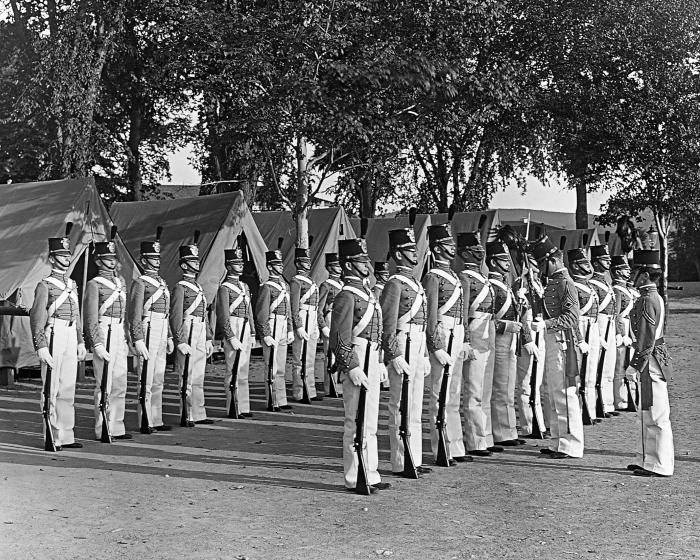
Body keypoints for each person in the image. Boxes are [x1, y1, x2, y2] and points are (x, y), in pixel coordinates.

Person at [330, 237, 390, 492]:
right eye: (360, 261)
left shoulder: (367, 293)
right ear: (348, 265)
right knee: (355, 419)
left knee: (370, 420)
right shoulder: (346, 295)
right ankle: (354, 476)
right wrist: (351, 366)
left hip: (371, 355)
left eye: (366, 260)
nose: (366, 265)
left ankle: (370, 472)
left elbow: (377, 331)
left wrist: (379, 360)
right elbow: (340, 336)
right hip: (357, 355)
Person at [30, 224, 87, 450]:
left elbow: (78, 315)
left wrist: (81, 341)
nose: (67, 259)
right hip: (53, 332)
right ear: (53, 259)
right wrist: (40, 346)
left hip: (71, 333)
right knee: (51, 387)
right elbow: (37, 317)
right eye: (62, 255)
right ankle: (51, 435)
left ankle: (66, 434)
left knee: (67, 386)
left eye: (68, 255)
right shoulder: (44, 285)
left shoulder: (71, 284)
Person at [381, 227, 431, 476]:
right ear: (398, 254)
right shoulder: (394, 284)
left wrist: (423, 354)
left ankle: (416, 457)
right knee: (401, 403)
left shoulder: (415, 282)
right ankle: (401, 460)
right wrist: (393, 354)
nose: (416, 253)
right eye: (410, 250)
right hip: (403, 341)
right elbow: (387, 324)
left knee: (415, 404)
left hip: (418, 341)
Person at [531, 236, 584, 459]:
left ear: (552, 261)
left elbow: (572, 317)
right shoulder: (553, 282)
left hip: (563, 342)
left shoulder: (564, 283)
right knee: (553, 394)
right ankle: (557, 441)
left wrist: (546, 323)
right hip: (553, 340)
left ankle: (571, 444)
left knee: (564, 394)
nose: (542, 270)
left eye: (543, 265)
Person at [423, 224, 471, 464]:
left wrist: (465, 340)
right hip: (443, 333)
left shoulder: (455, 276)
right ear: (437, 247)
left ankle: (456, 444)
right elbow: (430, 317)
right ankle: (440, 446)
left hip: (457, 333)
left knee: (453, 393)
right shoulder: (433, 277)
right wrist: (435, 346)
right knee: (439, 393)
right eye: (448, 244)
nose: (453, 248)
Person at [625, 249, 674, 477]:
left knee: (655, 414)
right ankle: (647, 459)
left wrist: (635, 365)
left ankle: (659, 464)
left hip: (650, 361)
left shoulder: (646, 300)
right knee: (648, 413)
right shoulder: (653, 296)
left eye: (636, 271)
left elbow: (646, 339)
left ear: (644, 275)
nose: (632, 275)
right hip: (655, 358)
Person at [84, 234, 131, 441]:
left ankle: (117, 425)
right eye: (108, 258)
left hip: (119, 331)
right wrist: (97, 343)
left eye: (114, 257)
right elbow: (91, 318)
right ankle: (102, 427)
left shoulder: (120, 282)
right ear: (98, 260)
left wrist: (128, 339)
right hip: (104, 330)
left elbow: (125, 314)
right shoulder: (95, 284)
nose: (112, 261)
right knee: (105, 383)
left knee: (121, 382)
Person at [129, 229, 174, 433]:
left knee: (159, 376)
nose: (156, 261)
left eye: (157, 258)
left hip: (162, 327)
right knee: (145, 375)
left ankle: (157, 418)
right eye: (152, 258)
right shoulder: (140, 283)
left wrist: (171, 335)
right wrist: (137, 338)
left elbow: (167, 312)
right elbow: (135, 313)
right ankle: (145, 419)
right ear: (143, 260)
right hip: (148, 327)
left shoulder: (162, 282)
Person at [486, 241, 529, 447]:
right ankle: (500, 431)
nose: (507, 264)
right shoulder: (492, 286)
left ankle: (509, 430)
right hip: (499, 338)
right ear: (493, 262)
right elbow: (487, 319)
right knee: (500, 386)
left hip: (511, 340)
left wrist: (521, 305)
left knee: (509, 386)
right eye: (503, 260)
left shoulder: (506, 286)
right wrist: (506, 326)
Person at [457, 232, 497, 457]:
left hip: (487, 332)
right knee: (473, 390)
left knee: (485, 390)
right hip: (474, 332)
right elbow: (462, 311)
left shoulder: (483, 278)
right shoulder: (465, 278)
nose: (480, 251)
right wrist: (465, 340)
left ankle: (485, 436)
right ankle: (474, 440)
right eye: (475, 248)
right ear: (464, 253)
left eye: (480, 247)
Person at [170, 235, 214, 426]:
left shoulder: (198, 287)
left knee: (198, 374)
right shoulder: (181, 288)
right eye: (192, 261)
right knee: (186, 373)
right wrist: (180, 340)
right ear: (184, 265)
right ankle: (187, 413)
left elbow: (205, 313)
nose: (196, 264)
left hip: (200, 328)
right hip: (188, 328)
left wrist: (208, 338)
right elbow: (176, 316)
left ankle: (199, 412)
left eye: (197, 260)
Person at [216, 245, 256, 418]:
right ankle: (233, 406)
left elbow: (250, 311)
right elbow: (223, 315)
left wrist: (253, 332)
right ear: (228, 265)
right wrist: (230, 336)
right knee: (233, 369)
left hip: (245, 327)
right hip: (234, 326)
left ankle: (244, 406)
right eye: (236, 263)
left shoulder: (245, 286)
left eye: (240, 262)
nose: (240, 265)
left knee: (244, 370)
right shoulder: (224, 288)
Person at [513, 251, 547, 438]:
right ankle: (528, 424)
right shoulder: (520, 284)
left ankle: (539, 423)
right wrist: (527, 339)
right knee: (526, 383)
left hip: (540, 331)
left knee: (537, 383)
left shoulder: (539, 284)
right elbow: (520, 315)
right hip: (527, 336)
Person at [256, 249, 294, 411]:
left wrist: (291, 329)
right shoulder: (267, 287)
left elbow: (289, 310)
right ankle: (272, 400)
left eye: (281, 264)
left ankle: (282, 399)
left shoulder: (284, 285)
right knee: (271, 364)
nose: (281, 267)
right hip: (272, 324)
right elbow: (261, 313)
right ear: (270, 267)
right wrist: (265, 334)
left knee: (281, 366)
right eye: (277, 264)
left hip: (284, 325)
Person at [567, 248, 601, 425]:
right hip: (581, 326)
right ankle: (579, 410)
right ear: (575, 266)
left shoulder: (590, 286)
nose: (589, 266)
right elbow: (573, 317)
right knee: (580, 372)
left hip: (593, 327)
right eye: (584, 263)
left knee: (591, 372)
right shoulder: (572, 286)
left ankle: (591, 410)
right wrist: (579, 339)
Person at [589, 245, 620, 418]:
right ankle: (597, 404)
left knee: (609, 365)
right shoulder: (593, 284)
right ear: (595, 262)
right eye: (604, 259)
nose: (608, 262)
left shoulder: (606, 282)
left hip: (610, 323)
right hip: (599, 323)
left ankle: (607, 403)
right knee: (598, 366)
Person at [290, 248, 322, 402]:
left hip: (313, 317)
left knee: (309, 358)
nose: (308, 264)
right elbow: (294, 306)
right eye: (304, 261)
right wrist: (298, 326)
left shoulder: (311, 281)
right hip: (303, 316)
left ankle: (311, 390)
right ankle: (299, 392)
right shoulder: (296, 281)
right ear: (297, 263)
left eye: (309, 261)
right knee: (299, 359)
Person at [611, 255, 636, 411]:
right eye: (625, 269)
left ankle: (630, 396)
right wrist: (621, 333)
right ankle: (620, 400)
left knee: (630, 365)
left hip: (631, 329)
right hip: (623, 329)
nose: (628, 271)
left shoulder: (627, 288)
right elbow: (617, 314)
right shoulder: (617, 290)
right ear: (617, 271)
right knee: (620, 366)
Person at [318, 253, 343, 397]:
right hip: (330, 318)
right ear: (329, 268)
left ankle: (339, 386)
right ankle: (330, 387)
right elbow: (319, 309)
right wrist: (323, 326)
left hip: (341, 319)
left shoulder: (343, 284)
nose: (339, 268)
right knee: (330, 355)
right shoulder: (326, 286)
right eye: (336, 265)